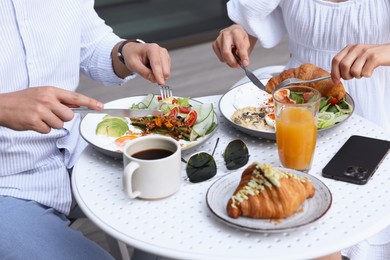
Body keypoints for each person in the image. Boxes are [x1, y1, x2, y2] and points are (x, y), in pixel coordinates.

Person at [212, 0, 390, 259]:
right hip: (295, 104)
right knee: (298, 221)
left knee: (336, 226)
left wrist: (386, 52)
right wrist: (235, 34)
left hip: (376, 110)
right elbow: (249, 30)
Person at [0, 1, 170, 259]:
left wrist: (126, 51)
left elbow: (92, 45)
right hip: (6, 182)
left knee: (181, 205)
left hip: (74, 151)